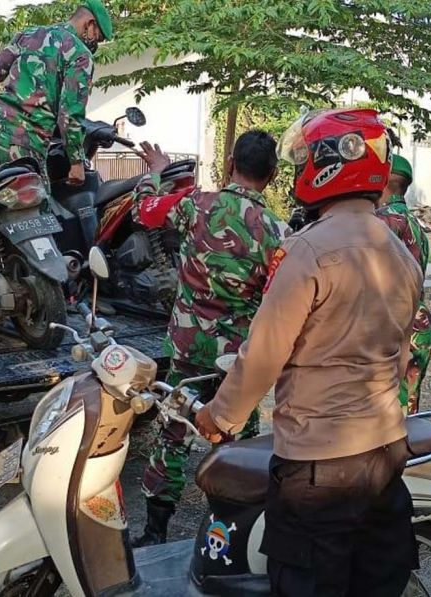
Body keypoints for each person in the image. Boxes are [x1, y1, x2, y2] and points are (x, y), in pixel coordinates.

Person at [196, 109, 422, 597]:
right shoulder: (401, 253)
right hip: (385, 452)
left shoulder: (308, 250)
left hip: (320, 463)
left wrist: (221, 416)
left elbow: (263, 353)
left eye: (304, 159)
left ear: (326, 167)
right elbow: (402, 352)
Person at [128, 132, 289, 547]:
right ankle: (231, 533)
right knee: (242, 446)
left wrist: (157, 173)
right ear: (271, 176)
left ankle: (154, 531)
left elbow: (144, 212)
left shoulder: (197, 205)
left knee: (173, 431)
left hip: (187, 347)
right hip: (238, 360)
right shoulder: (277, 232)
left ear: (230, 161)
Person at [0, 1, 111, 183]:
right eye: (97, 37)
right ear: (90, 24)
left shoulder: (29, 35)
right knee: (36, 207)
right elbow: (70, 113)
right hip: (25, 141)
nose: (96, 44)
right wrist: (76, 162)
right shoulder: (80, 55)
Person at [378, 155, 431, 413]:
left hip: (392, 324)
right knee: (408, 405)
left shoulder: (379, 222)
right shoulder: (416, 226)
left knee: (386, 411)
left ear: (381, 181)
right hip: (419, 322)